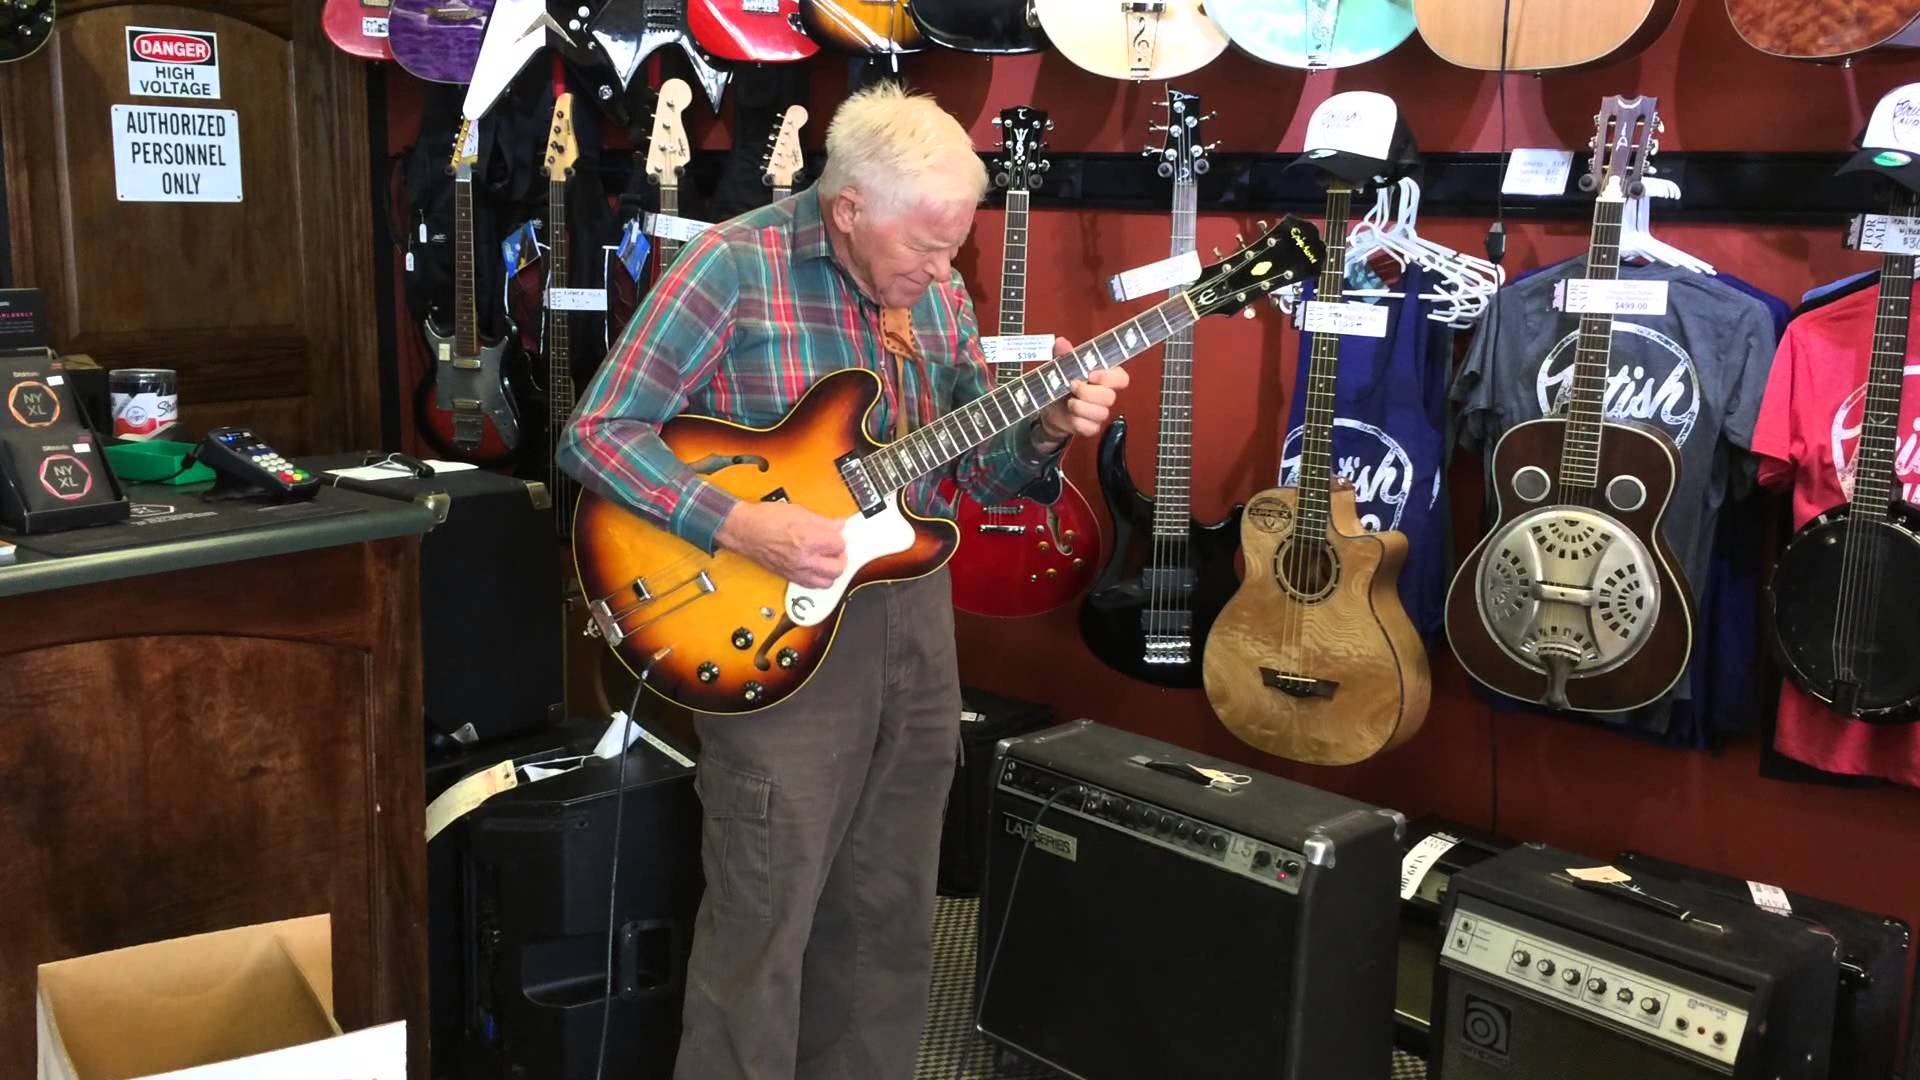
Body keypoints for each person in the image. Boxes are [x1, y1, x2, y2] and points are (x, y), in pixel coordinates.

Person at [558, 81, 1130, 1079]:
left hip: (912, 619)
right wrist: (741, 522)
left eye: (954, 247)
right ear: (849, 207)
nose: (943, 270)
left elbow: (973, 477)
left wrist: (1043, 429)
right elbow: (597, 433)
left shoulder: (933, 293)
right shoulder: (731, 266)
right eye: (927, 247)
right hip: (762, 615)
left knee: (889, 905)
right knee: (765, 915)